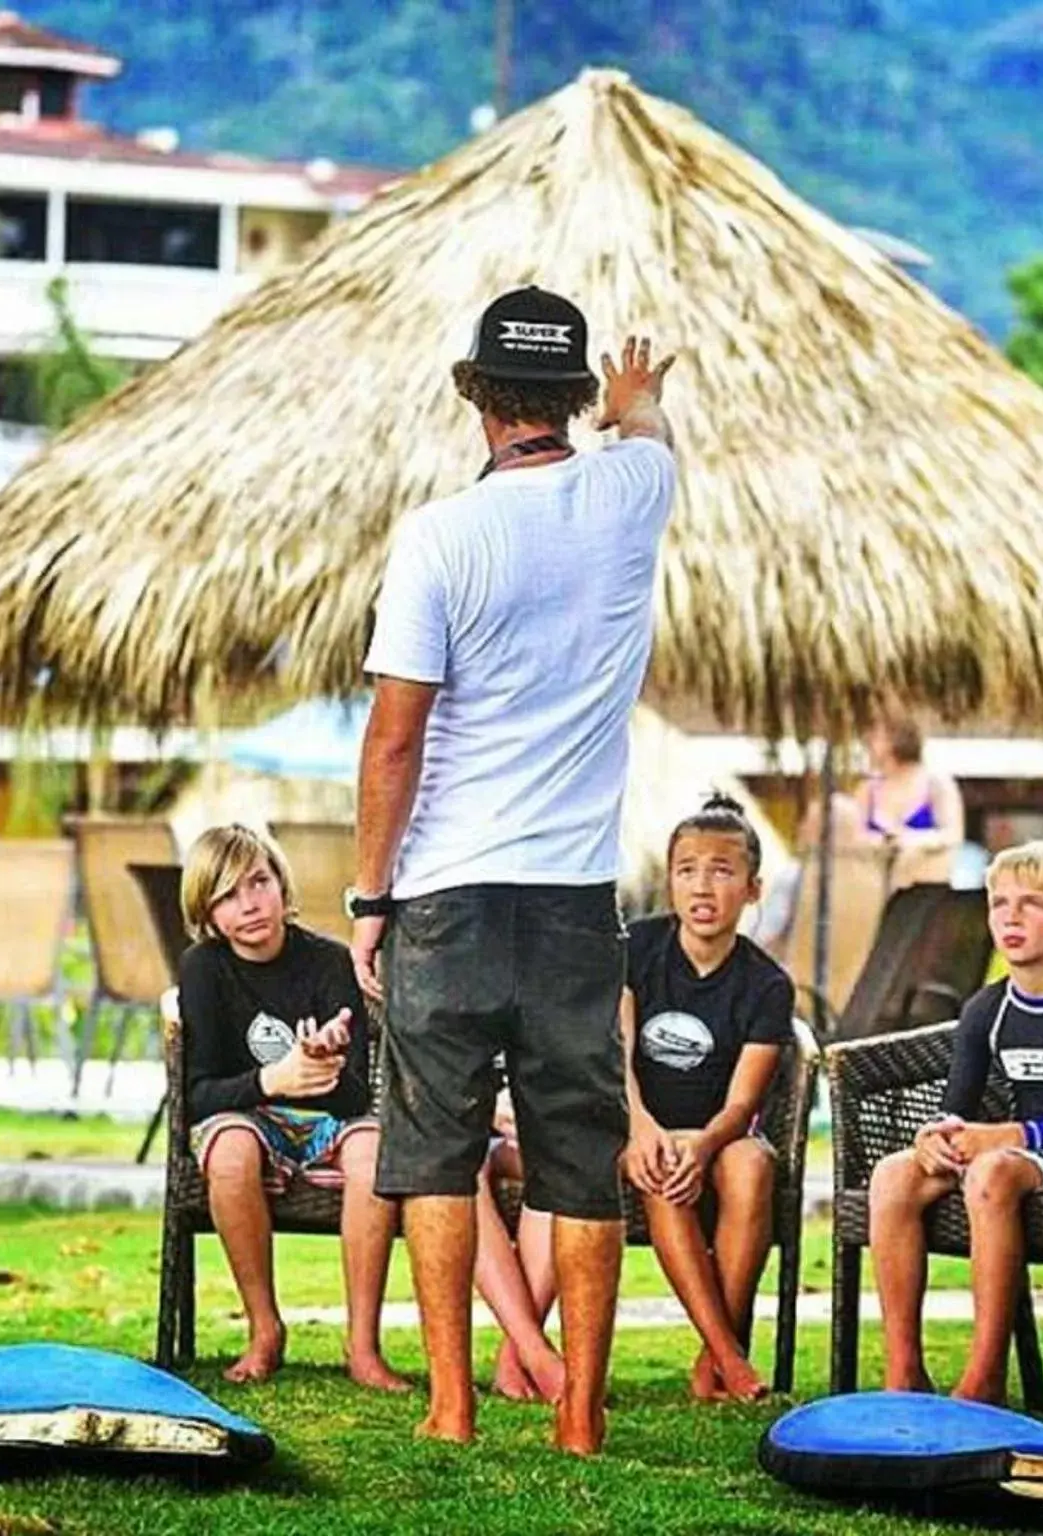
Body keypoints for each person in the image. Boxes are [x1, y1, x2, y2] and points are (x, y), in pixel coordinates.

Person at [349, 285, 678, 1454]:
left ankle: (451, 1402)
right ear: (577, 398)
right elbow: (649, 438)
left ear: (480, 402)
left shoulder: (441, 535)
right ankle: (580, 1415)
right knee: (577, 1161)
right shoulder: (637, 492)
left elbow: (396, 737)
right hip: (578, 900)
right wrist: (637, 406)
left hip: (446, 890)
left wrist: (370, 896)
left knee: (436, 1150)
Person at [866, 839, 1043, 1405]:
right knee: (894, 1174)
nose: (1010, 916)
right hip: (1014, 1159)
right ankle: (904, 1373)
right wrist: (932, 1137)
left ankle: (985, 1378)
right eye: (999, 903)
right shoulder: (986, 1008)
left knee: (991, 1172)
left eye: (1031, 904)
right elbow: (957, 1107)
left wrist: (1012, 1136)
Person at [175, 823, 406, 1391]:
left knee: (373, 1152)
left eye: (258, 882)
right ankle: (264, 1329)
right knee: (228, 1150)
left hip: (326, 1121)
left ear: (282, 883)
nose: (249, 904)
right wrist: (274, 1078)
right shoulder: (204, 968)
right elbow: (197, 1096)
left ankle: (362, 1345)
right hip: (248, 1119)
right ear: (207, 912)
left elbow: (356, 1099)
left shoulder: (330, 963)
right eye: (227, 895)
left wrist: (324, 1064)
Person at [622, 794, 793, 1403]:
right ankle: (729, 1357)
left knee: (751, 1164)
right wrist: (642, 1126)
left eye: (722, 871)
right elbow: (612, 1058)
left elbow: (744, 1104)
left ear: (752, 889)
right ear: (669, 881)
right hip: (635, 1127)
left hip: (717, 1135)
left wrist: (706, 1142)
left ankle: (713, 1351)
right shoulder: (634, 951)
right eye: (687, 869)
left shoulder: (767, 985)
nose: (702, 886)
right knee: (663, 1166)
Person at [478, 1079, 565, 1402]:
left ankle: (514, 1356)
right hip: (457, 1131)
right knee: (456, 1175)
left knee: (565, 1170)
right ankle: (535, 1352)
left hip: (535, 1133)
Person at [840, 709, 964, 890]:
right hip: (875, 891)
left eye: (876, 736)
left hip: (924, 889)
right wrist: (880, 842)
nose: (868, 742)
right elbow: (854, 838)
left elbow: (952, 835)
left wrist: (911, 840)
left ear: (897, 739)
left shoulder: (936, 784)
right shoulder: (867, 789)